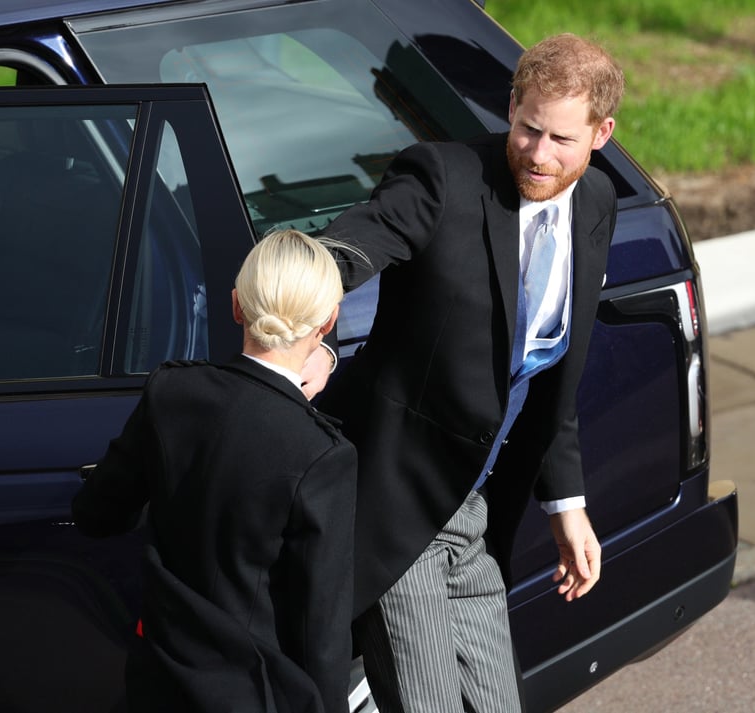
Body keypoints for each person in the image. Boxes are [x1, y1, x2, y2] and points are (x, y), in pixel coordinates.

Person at [310, 32, 626, 712]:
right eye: (527, 128)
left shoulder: (595, 204)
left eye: (561, 140)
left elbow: (552, 371)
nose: (538, 154)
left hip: (474, 514)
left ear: (602, 134)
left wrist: (566, 504)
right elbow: (360, 238)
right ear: (510, 106)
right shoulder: (444, 178)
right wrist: (297, 285)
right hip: (396, 506)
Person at [72, 229, 358, 713]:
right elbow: (320, 629)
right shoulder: (321, 454)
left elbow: (97, 514)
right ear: (327, 322)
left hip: (157, 674)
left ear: (235, 306)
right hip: (251, 692)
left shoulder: (171, 392)